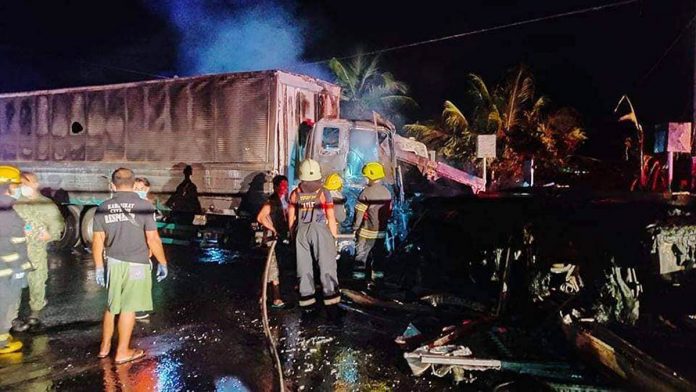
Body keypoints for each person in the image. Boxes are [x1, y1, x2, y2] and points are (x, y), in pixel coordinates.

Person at [93, 168, 168, 364]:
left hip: (113, 262)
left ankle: (104, 347)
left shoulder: (103, 207)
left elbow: (98, 240)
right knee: (129, 307)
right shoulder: (143, 206)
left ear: (112, 185)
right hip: (136, 263)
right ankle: (123, 352)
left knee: (112, 306)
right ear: (134, 183)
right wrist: (163, 261)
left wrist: (99, 266)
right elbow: (153, 239)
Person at [287, 159, 341, 316]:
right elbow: (330, 217)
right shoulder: (324, 192)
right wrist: (333, 239)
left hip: (301, 232)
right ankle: (332, 308)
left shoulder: (295, 193)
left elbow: (291, 219)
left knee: (303, 268)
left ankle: (307, 306)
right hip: (320, 232)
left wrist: (293, 236)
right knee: (327, 266)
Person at [13, 172, 64, 327]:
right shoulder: (16, 203)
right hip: (16, 251)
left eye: (26, 184)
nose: (23, 187)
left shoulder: (47, 205)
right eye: (20, 184)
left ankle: (35, 312)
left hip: (35, 250)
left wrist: (50, 235)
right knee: (13, 284)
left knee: (37, 281)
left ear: (35, 184)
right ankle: (12, 315)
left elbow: (58, 225)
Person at [0, 166, 31, 354]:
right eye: (16, 185)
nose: (18, 188)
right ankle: (2, 341)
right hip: (7, 270)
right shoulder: (8, 214)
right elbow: (17, 246)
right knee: (5, 302)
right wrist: (22, 269)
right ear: (7, 186)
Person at [352, 162, 393, 286]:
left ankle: (358, 284)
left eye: (366, 176)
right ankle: (378, 283)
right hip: (381, 233)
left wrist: (354, 228)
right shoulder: (387, 192)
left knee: (361, 257)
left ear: (370, 176)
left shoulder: (366, 193)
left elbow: (359, 215)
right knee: (378, 257)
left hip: (366, 232)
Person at [256, 175, 289, 308]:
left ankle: (263, 296)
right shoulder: (272, 202)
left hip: (278, 239)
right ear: (275, 187)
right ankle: (275, 298)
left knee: (271, 268)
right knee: (273, 268)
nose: (284, 188)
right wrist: (274, 229)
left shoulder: (282, 201)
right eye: (281, 186)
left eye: (285, 186)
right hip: (272, 240)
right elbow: (260, 217)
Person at [133, 177, 157, 321]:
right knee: (137, 277)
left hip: (142, 246)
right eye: (136, 189)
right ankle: (135, 310)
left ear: (147, 190)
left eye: (141, 189)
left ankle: (135, 307)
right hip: (136, 247)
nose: (138, 192)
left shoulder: (147, 206)